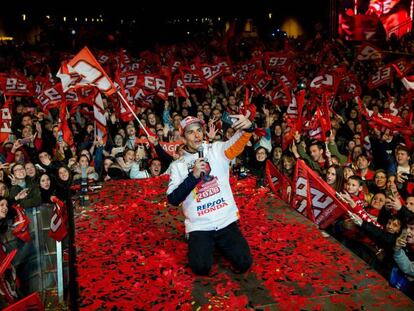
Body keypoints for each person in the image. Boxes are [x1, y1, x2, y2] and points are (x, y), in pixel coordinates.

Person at [167, 115, 254, 276]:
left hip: (225, 221)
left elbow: (237, 143)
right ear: (184, 138)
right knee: (201, 268)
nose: (197, 135)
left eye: (199, 130)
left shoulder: (216, 150)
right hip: (200, 226)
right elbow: (173, 199)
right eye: (191, 132)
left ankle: (219, 243)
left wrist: (248, 128)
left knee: (244, 263)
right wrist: (192, 177)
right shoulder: (177, 166)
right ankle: (200, 241)